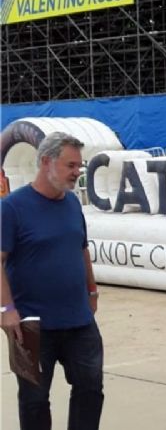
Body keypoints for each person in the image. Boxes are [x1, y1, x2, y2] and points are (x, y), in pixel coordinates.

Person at [1, 132, 104, 430]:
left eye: (79, 166)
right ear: (46, 162)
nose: (77, 172)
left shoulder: (73, 205)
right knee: (34, 400)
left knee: (90, 390)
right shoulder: (12, 208)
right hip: (30, 327)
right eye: (70, 165)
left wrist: (93, 291)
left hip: (80, 322)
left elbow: (81, 248)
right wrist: (6, 309)